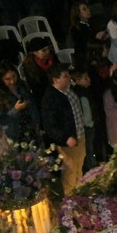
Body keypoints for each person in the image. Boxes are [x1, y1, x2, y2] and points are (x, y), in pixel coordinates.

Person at [41, 63, 85, 196]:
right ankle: (70, 200)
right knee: (70, 171)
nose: (69, 78)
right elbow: (49, 125)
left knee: (78, 168)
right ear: (56, 79)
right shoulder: (51, 98)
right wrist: (65, 138)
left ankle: (80, 193)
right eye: (65, 76)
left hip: (79, 135)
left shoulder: (68, 91)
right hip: (67, 142)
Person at [0, 60, 41, 144]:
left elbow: (32, 105)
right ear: (1, 79)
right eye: (7, 79)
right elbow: (1, 120)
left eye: (14, 76)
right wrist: (15, 110)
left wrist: (37, 122)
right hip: (16, 133)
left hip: (33, 127)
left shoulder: (21, 85)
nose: (12, 81)